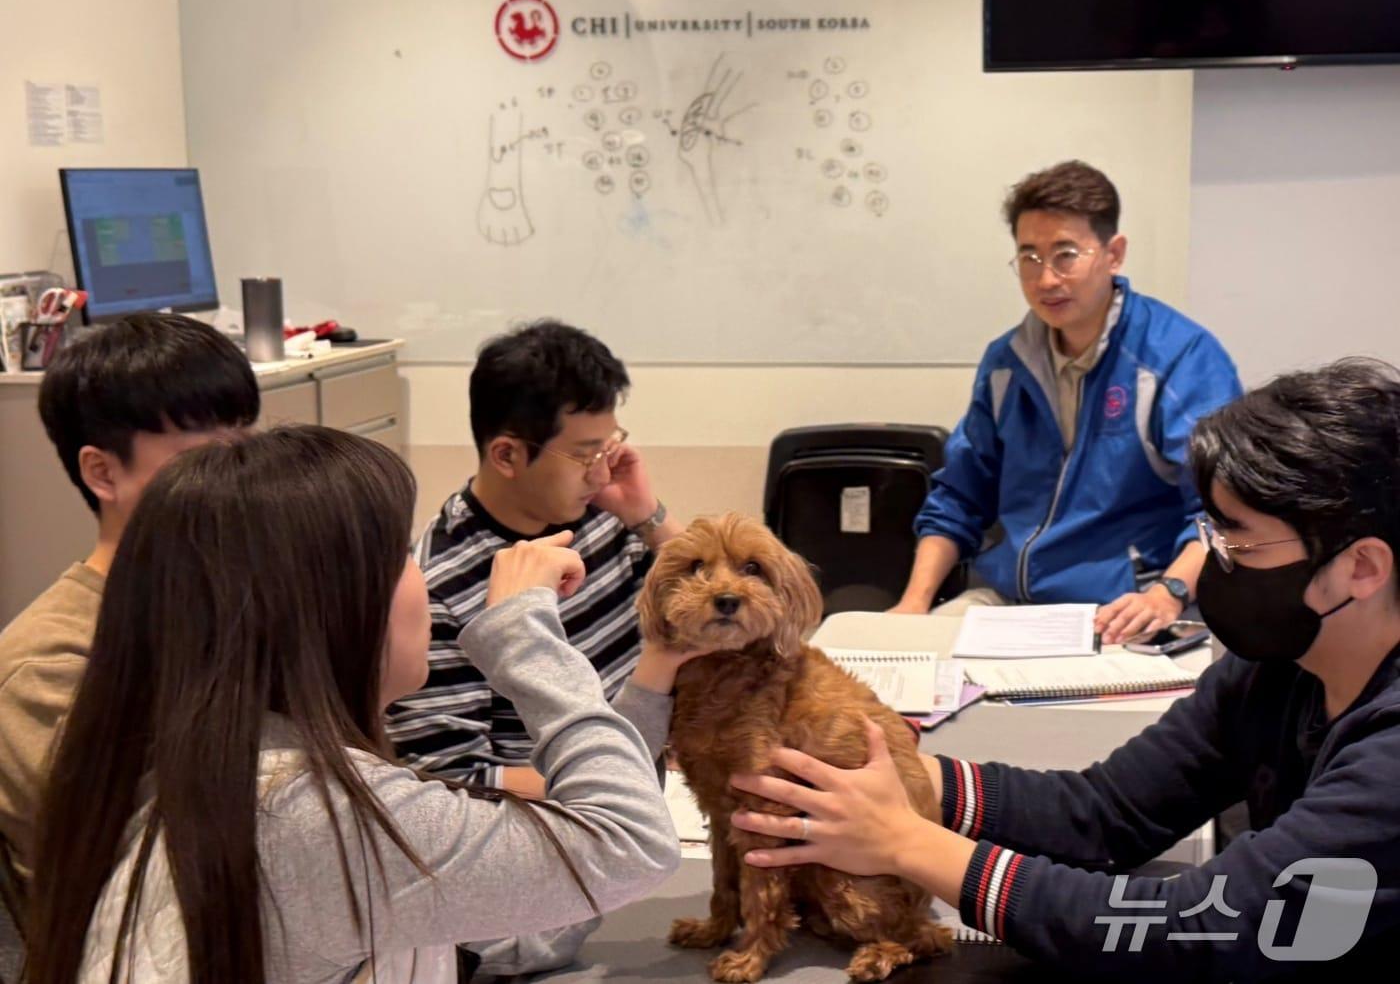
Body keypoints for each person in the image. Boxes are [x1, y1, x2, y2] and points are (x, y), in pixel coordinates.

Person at [734, 359, 1400, 980]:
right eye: (1209, 530)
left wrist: (906, 844)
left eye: (1238, 539)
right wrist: (908, 775)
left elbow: (1194, 928)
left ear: (1362, 567)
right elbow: (1107, 811)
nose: (1210, 557)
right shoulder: (1280, 670)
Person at [25, 426, 685, 984]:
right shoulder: (312, 816)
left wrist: (654, 671)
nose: (419, 577)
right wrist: (524, 635)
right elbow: (631, 844)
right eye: (399, 554)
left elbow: (503, 929)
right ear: (329, 608)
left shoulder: (208, 772)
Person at [891, 161, 1241, 642]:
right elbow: (959, 495)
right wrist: (914, 605)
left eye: (1066, 255)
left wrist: (1168, 592)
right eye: (1029, 257)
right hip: (1011, 602)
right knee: (903, 673)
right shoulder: (1005, 363)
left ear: (1113, 254)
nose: (1046, 279)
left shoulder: (1179, 357)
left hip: (1131, 605)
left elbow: (1223, 511)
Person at [0, 313, 259, 877]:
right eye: (205, 458)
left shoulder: (243, 601)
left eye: (246, 445)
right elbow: (136, 869)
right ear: (103, 473)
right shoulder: (48, 667)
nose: (241, 479)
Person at [386, 319, 683, 799]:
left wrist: (646, 516)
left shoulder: (601, 515)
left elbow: (711, 607)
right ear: (507, 455)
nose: (602, 471)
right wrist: (617, 783)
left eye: (608, 447)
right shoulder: (440, 586)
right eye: (586, 455)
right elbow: (451, 780)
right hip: (572, 814)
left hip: (653, 773)